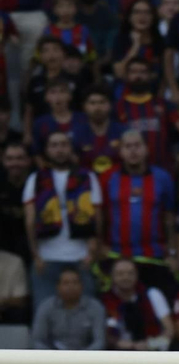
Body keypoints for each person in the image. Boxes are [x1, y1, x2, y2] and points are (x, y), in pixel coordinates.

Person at [23, 128, 101, 305]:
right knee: (44, 310)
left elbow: (97, 217)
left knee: (86, 311)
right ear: (47, 150)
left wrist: (92, 252)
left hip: (81, 257)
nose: (59, 149)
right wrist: (36, 256)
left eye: (64, 144)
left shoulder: (88, 177)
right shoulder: (35, 179)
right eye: (54, 145)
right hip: (47, 258)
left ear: (71, 148)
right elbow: (29, 220)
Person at [30, 266, 103, 349]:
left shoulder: (95, 307)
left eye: (75, 282)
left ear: (82, 286)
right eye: (66, 283)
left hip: (85, 354)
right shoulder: (46, 306)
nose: (71, 286)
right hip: (53, 354)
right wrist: (52, 355)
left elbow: (99, 341)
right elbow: (37, 340)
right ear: (57, 287)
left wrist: (83, 356)